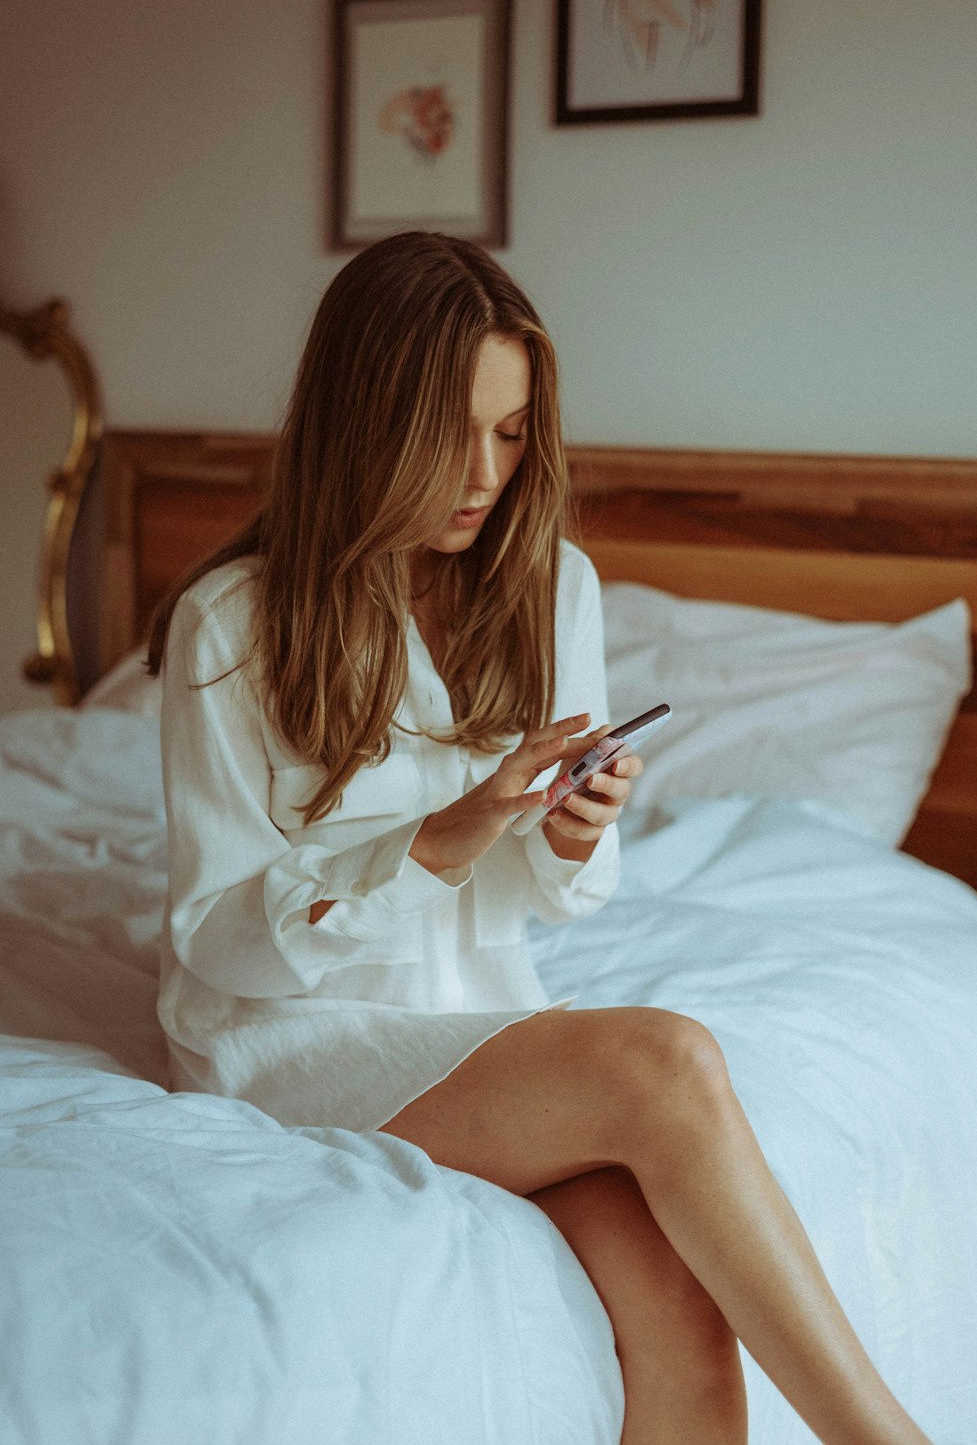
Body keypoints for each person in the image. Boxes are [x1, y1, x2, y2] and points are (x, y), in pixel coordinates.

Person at [148, 231, 932, 1445]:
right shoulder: (228, 624)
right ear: (364, 422)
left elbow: (567, 903)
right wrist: (444, 837)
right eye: (451, 434)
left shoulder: (549, 583)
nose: (484, 473)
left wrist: (571, 832)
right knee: (665, 1064)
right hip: (288, 1044)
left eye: (511, 434)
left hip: (476, 1017)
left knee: (676, 1294)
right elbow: (213, 942)